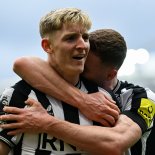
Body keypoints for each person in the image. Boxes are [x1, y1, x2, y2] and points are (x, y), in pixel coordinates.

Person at [1, 29, 155, 155]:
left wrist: (46, 123)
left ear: (110, 74)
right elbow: (22, 64)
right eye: (77, 59)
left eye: (84, 68)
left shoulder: (141, 97)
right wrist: (83, 100)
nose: (78, 68)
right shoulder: (64, 87)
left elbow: (116, 143)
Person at [0, 7, 115, 155]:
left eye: (85, 38)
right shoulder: (20, 95)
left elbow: (116, 145)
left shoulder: (103, 100)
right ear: (47, 46)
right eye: (70, 38)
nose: (82, 46)